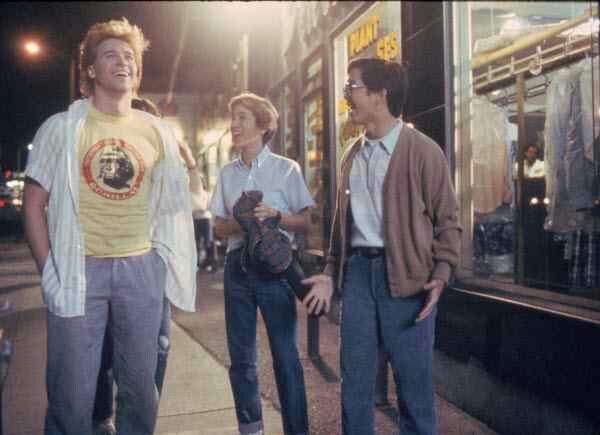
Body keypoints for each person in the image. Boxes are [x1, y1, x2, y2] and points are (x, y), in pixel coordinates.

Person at [22, 18, 197, 435]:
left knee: (140, 388)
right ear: (91, 69)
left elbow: (175, 203)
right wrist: (49, 272)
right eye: (110, 55)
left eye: (129, 56)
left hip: (140, 269)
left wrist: (162, 262)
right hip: (80, 268)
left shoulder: (156, 132)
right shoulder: (61, 128)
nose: (122, 62)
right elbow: (33, 206)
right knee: (71, 392)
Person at [302, 57, 462, 435]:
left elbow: (449, 221)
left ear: (380, 94)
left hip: (409, 279)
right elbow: (341, 226)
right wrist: (330, 272)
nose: (346, 95)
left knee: (413, 387)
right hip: (358, 275)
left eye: (353, 87)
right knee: (355, 385)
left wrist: (441, 274)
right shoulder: (351, 155)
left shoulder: (423, 151)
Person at [91, 99, 206, 435]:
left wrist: (187, 158)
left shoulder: (164, 167)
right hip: (110, 271)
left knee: (158, 348)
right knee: (106, 352)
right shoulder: (111, 164)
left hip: (153, 276)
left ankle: (140, 421)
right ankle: (102, 419)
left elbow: (196, 202)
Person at [210, 92, 315, 435]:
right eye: (233, 118)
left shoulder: (286, 169)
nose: (234, 125)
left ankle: (297, 430)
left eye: (241, 117)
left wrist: (275, 215)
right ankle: (251, 428)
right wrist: (240, 221)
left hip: (274, 270)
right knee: (241, 359)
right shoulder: (227, 173)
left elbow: (305, 222)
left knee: (285, 357)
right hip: (237, 268)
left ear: (262, 125)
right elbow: (218, 228)